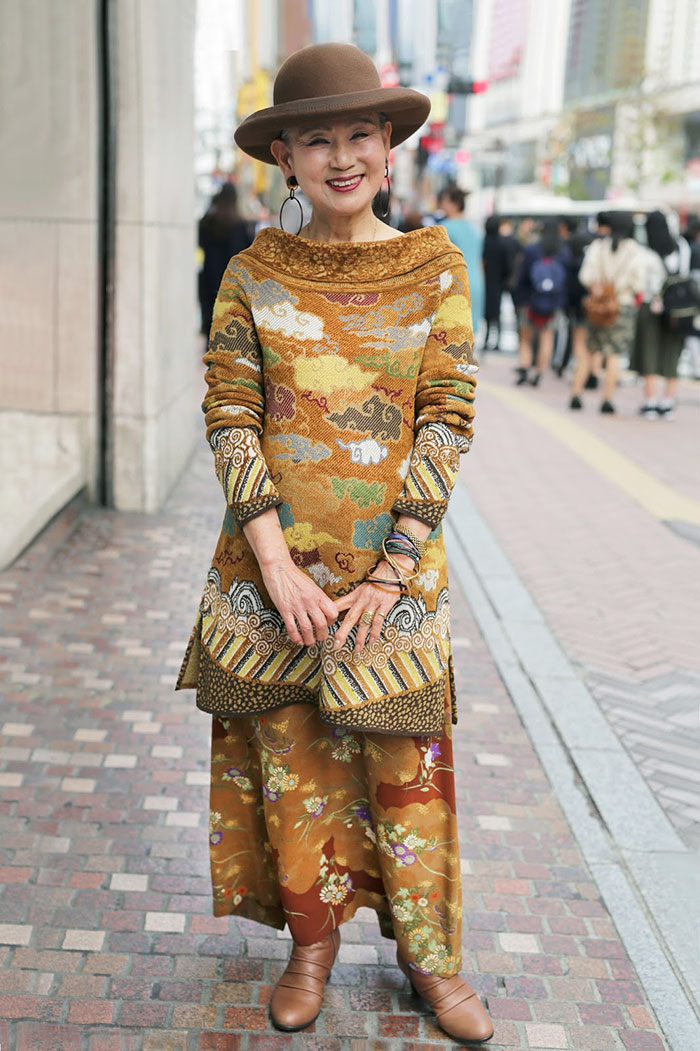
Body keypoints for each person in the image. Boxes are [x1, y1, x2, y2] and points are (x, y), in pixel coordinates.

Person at [176, 43, 493, 1045]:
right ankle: (309, 949)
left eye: (361, 134)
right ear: (286, 157)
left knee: (409, 769)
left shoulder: (436, 267)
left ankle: (429, 960)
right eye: (318, 139)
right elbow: (230, 415)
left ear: (390, 147)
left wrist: (393, 568)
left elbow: (447, 419)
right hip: (269, 577)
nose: (343, 155)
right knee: (290, 764)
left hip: (393, 584)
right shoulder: (251, 274)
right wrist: (274, 567)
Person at [577, 212, 646, 413]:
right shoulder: (634, 251)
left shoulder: (597, 247)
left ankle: (576, 394)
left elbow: (585, 276)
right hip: (621, 306)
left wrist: (598, 287)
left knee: (589, 350)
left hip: (597, 306)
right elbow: (639, 283)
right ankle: (607, 399)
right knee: (614, 354)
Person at [632, 211, 692, 418]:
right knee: (672, 353)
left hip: (651, 307)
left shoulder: (645, 252)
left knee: (649, 352)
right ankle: (668, 402)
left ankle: (651, 401)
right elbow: (685, 275)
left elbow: (640, 284)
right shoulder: (682, 247)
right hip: (678, 309)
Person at [514, 218, 569, 386]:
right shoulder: (563, 252)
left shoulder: (532, 249)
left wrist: (519, 298)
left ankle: (524, 367)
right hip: (553, 303)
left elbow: (522, 276)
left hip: (531, 300)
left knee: (526, 338)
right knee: (547, 337)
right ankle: (539, 372)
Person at [198, 183, 254, 335]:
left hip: (210, 286)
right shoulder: (242, 227)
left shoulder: (208, 225)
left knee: (211, 333)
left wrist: (212, 203)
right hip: (233, 290)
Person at [438, 186, 485, 339]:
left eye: (444, 201)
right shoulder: (475, 229)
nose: (441, 205)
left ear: (455, 204)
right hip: (476, 282)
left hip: (455, 283)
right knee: (469, 335)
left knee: (450, 336)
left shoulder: (445, 228)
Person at [482, 215, 516, 351]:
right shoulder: (503, 243)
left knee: (486, 312)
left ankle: (486, 339)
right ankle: (497, 340)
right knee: (497, 312)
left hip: (484, 281)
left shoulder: (483, 243)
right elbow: (508, 264)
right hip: (498, 282)